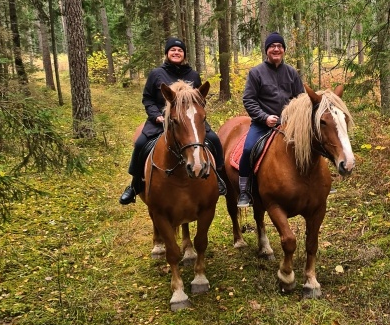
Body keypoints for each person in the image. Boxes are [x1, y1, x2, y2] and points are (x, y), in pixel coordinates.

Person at [119, 37, 226, 205]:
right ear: (167, 53)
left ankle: (219, 177)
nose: (176, 53)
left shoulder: (193, 75)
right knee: (141, 144)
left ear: (184, 55)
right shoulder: (156, 74)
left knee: (214, 140)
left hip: (189, 122)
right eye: (173, 50)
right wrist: (156, 115)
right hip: (161, 122)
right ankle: (134, 185)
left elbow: (199, 101)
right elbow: (147, 98)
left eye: (180, 50)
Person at [237, 32, 305, 208]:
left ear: (283, 50)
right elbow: (249, 99)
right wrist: (264, 117)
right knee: (248, 149)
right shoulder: (256, 73)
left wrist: (294, 117)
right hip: (263, 124)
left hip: (289, 124)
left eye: (280, 46)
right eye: (272, 46)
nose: (276, 49)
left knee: (310, 143)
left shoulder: (291, 72)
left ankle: (315, 182)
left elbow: (301, 98)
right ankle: (244, 190)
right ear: (267, 50)